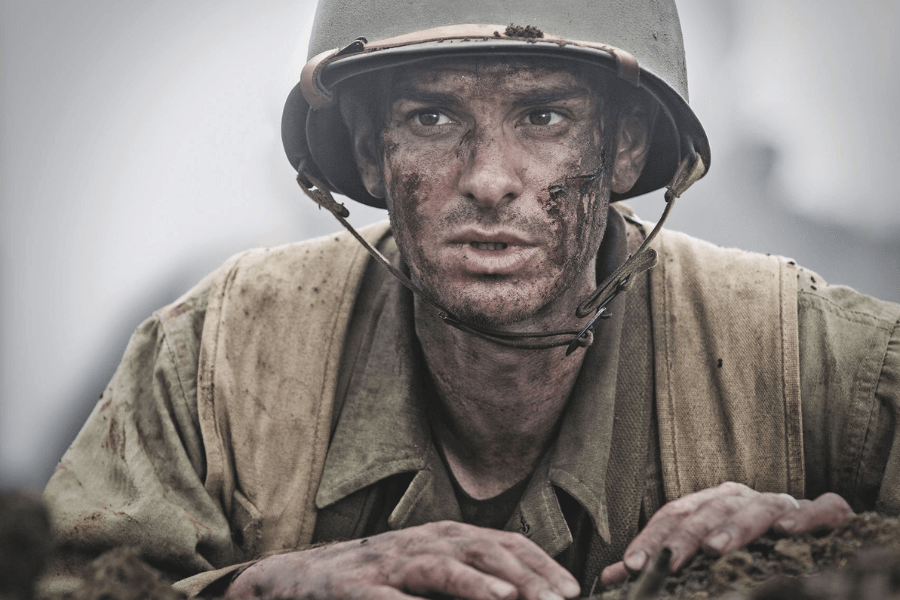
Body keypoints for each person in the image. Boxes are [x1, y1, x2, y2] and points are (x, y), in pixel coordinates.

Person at [41, 1, 900, 599]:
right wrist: (256, 587)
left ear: (628, 146)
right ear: (370, 157)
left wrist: (850, 548)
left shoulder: (808, 357)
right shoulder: (216, 359)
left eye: (544, 117)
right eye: (432, 119)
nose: (489, 182)